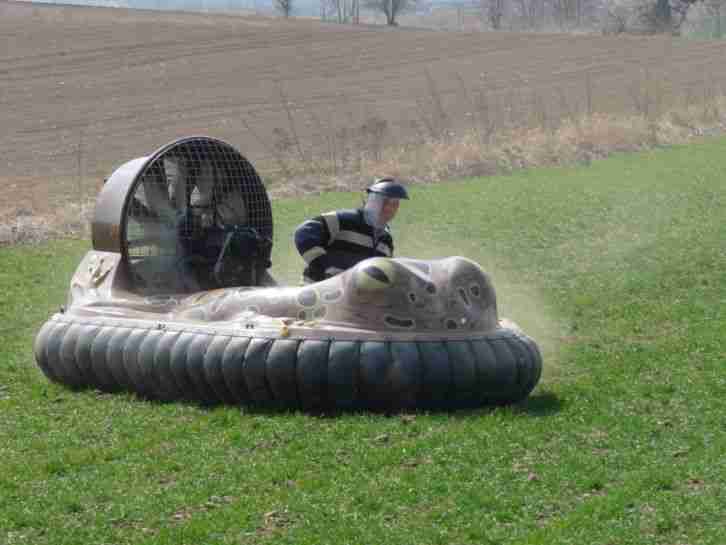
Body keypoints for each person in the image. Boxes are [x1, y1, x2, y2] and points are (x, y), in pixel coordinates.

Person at [294, 177, 409, 283]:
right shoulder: (344, 220)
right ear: (372, 201)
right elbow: (304, 232)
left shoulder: (386, 240)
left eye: (395, 204)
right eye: (384, 202)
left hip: (351, 301)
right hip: (316, 294)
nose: (389, 208)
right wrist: (324, 266)